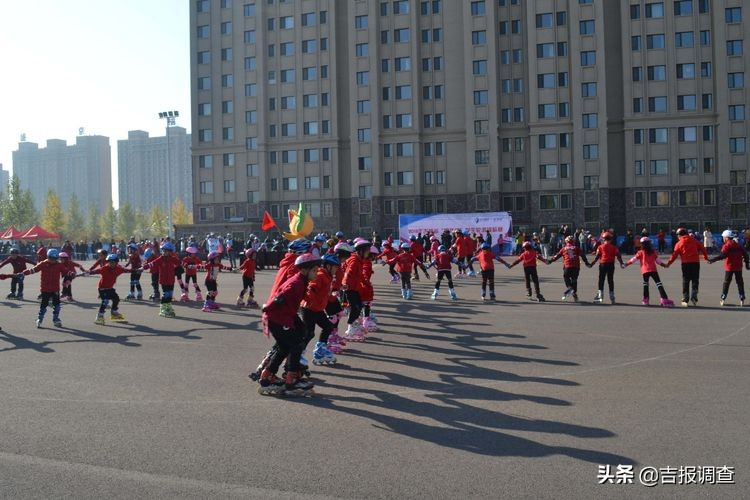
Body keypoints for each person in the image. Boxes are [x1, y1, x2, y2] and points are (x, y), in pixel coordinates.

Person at [257, 254, 321, 396]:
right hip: (277, 318)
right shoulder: (296, 283)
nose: (317, 273)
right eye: (315, 271)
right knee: (295, 344)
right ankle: (292, 378)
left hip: (285, 317)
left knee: (287, 345)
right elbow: (282, 295)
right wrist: (269, 307)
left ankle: (267, 375)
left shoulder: (302, 281)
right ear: (304, 270)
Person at [301, 253, 341, 366]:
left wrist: (333, 297)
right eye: (335, 267)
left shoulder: (327, 277)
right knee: (309, 333)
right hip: (309, 308)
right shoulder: (320, 275)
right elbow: (311, 288)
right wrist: (312, 301)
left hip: (317, 309)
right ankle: (298, 354)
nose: (337, 269)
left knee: (328, 326)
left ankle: (320, 351)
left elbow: (324, 294)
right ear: (328, 266)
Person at [20, 248, 66, 328]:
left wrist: (71, 273)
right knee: (43, 305)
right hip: (45, 288)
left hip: (55, 288)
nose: (53, 260)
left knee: (57, 306)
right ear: (48, 257)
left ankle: (56, 319)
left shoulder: (59, 265)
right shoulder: (43, 264)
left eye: (55, 259)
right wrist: (23, 273)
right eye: (51, 258)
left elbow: (66, 271)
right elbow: (33, 270)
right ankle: (39, 319)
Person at [623, 237, 674, 307]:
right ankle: (664, 299)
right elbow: (658, 261)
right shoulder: (653, 252)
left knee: (645, 285)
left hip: (645, 271)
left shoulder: (640, 252)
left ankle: (645, 300)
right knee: (659, 284)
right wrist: (664, 265)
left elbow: (633, 259)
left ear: (641, 244)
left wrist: (626, 264)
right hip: (653, 270)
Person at [665, 228, 709, 307]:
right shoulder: (694, 240)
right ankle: (694, 296)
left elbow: (674, 255)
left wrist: (668, 263)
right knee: (695, 279)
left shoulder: (679, 243)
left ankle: (685, 298)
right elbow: (703, 248)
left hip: (685, 264)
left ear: (679, 235)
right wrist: (706, 258)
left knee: (686, 280)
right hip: (695, 263)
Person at [708, 230, 749, 307]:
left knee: (726, 283)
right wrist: (747, 264)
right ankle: (742, 297)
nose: (723, 239)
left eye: (723, 237)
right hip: (738, 267)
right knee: (740, 283)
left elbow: (723, 256)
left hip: (729, 267)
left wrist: (713, 260)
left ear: (726, 238)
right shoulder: (738, 245)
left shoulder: (726, 246)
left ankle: (723, 297)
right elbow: (746, 255)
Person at [142, 242, 182, 317]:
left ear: (170, 252)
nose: (164, 252)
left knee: (170, 294)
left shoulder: (173, 259)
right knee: (166, 294)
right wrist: (143, 267)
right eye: (163, 251)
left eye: (166, 251)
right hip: (163, 280)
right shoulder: (160, 259)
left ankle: (168, 307)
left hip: (171, 279)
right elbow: (152, 263)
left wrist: (187, 265)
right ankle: (162, 309)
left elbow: (180, 263)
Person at [342, 238, 371, 339]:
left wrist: (366, 282)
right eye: (367, 251)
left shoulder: (359, 260)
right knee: (355, 308)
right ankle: (350, 329)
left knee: (359, 306)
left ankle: (354, 325)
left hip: (355, 288)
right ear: (361, 251)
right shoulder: (354, 261)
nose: (369, 253)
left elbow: (360, 276)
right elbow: (348, 273)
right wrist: (345, 284)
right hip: (349, 288)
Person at [547, 235, 589, 302]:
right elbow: (583, 255)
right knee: (574, 279)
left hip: (567, 266)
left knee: (566, 277)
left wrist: (550, 261)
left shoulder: (564, 248)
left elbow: (556, 256)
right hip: (576, 266)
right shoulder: (576, 248)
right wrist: (586, 263)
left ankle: (570, 288)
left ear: (566, 241)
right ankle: (574, 293)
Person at [587, 232, 625, 304]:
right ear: (611, 239)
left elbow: (597, 257)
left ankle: (600, 295)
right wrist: (621, 264)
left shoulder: (600, 247)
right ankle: (612, 296)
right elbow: (618, 256)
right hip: (611, 265)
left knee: (601, 279)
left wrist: (592, 264)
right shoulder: (614, 247)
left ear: (603, 239)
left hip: (603, 264)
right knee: (610, 280)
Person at [89, 254, 128, 324]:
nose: (110, 264)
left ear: (116, 263)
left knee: (116, 299)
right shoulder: (104, 268)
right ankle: (99, 317)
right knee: (105, 301)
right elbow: (95, 271)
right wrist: (88, 272)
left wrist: (136, 270)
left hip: (110, 288)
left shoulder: (119, 268)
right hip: (102, 288)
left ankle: (114, 313)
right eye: (109, 262)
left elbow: (127, 270)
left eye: (112, 262)